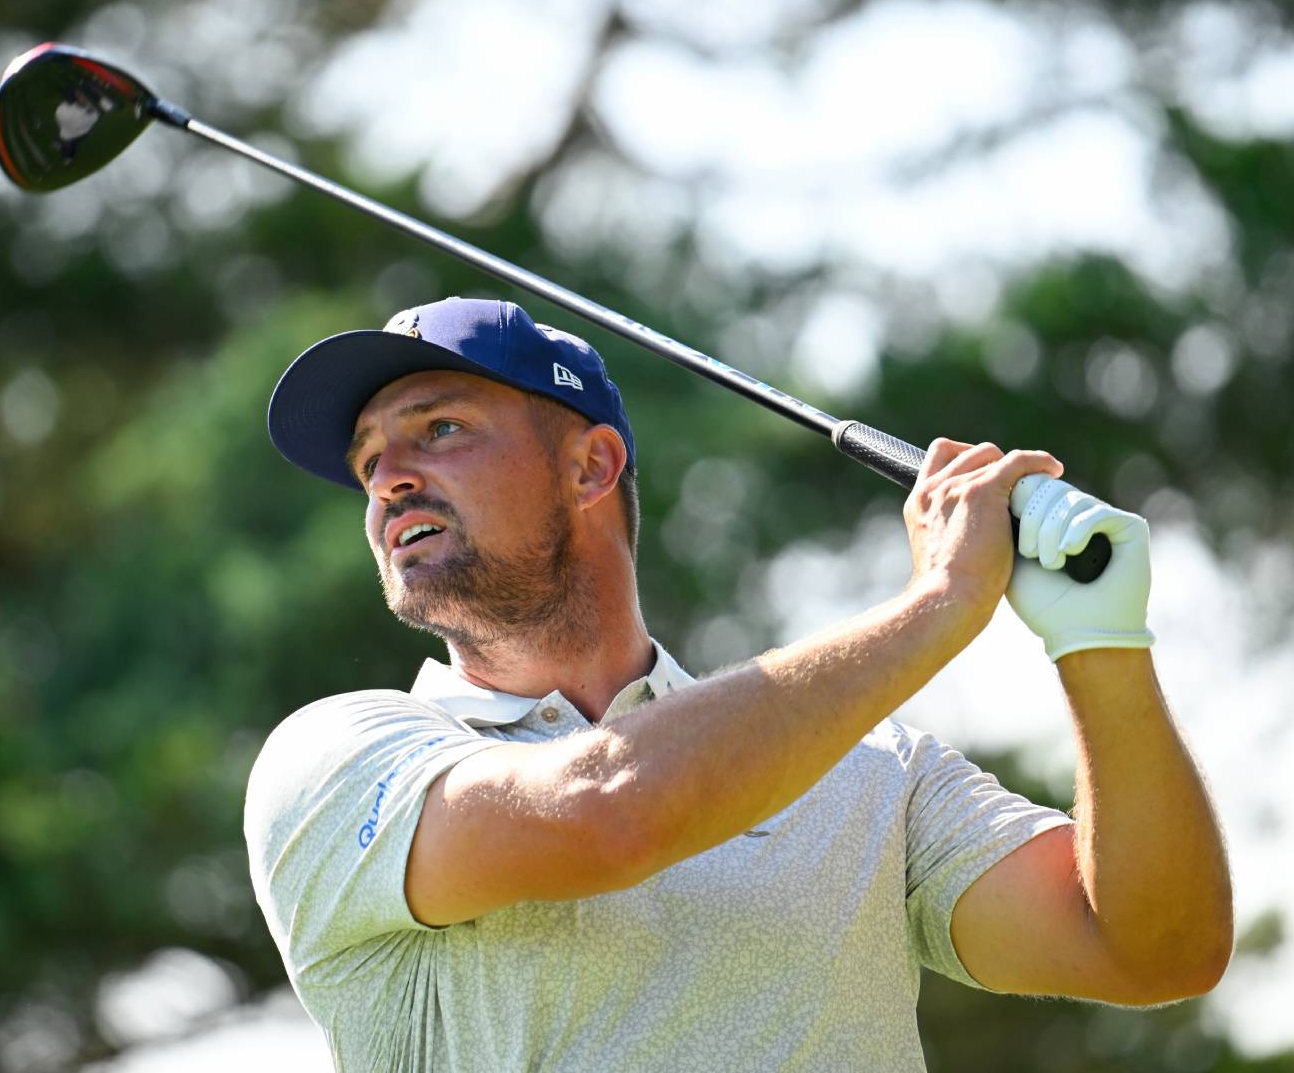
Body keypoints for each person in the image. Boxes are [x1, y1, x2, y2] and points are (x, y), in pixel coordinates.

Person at [244, 297, 1232, 1071]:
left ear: (592, 467)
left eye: (439, 429)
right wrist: (939, 604)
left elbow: (1153, 949)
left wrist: (1099, 640)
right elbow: (610, 812)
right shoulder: (342, 761)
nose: (388, 480)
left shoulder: (868, 771)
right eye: (370, 460)